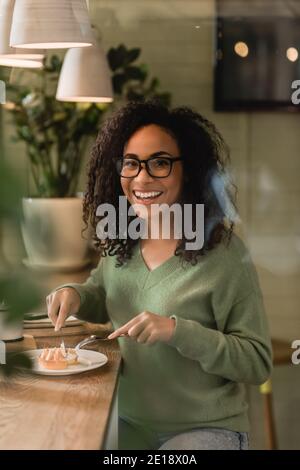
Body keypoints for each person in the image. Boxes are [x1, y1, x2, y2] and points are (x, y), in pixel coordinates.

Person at [46, 101, 272, 450]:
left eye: (160, 163)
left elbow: (257, 362)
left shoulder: (226, 255)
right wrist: (73, 294)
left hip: (207, 430)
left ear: (190, 171)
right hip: (129, 424)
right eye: (131, 163)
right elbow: (102, 293)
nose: (142, 177)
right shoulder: (122, 242)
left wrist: (176, 330)